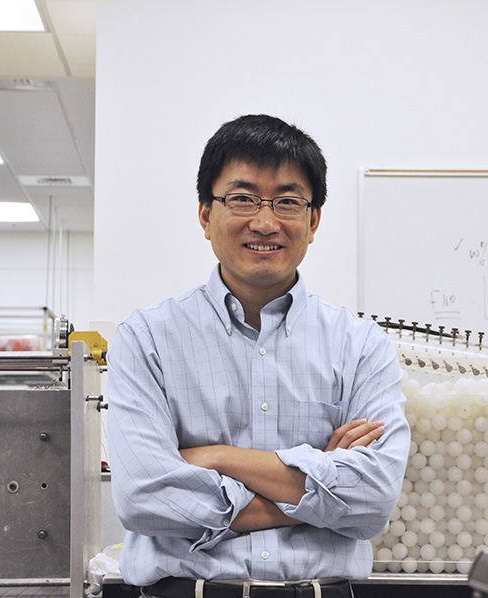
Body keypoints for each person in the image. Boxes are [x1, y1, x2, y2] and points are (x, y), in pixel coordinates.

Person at [108, 114, 410, 597]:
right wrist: (315, 486)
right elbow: (145, 498)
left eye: (288, 202)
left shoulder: (360, 344)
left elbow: (372, 501)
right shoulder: (147, 338)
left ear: (312, 222)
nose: (265, 222)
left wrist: (217, 458)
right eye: (243, 199)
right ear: (206, 214)